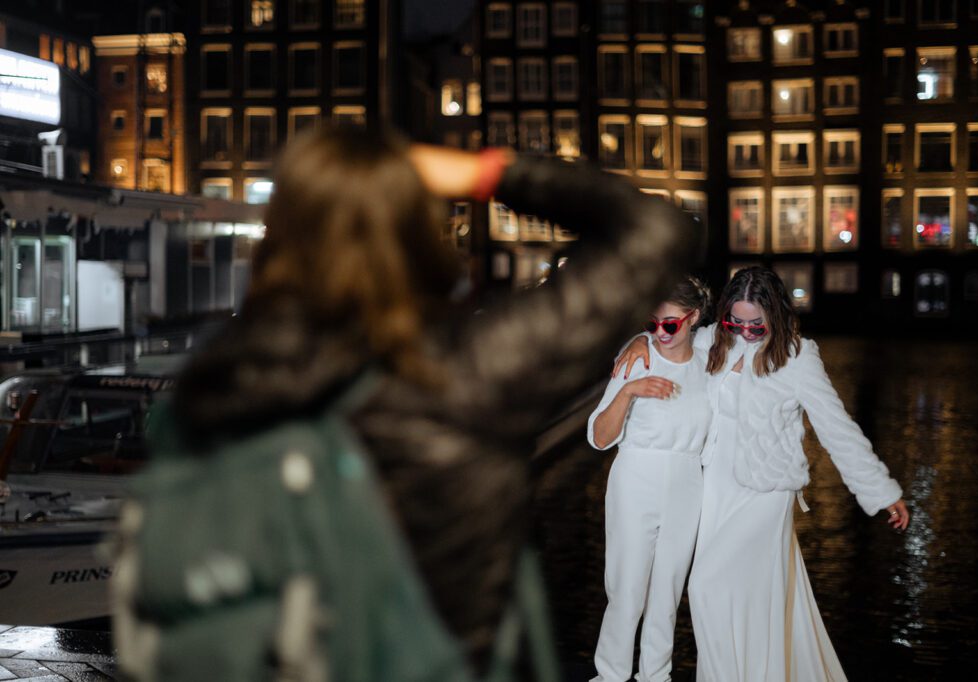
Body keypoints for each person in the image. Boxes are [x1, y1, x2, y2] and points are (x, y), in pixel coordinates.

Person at [112, 128, 701, 679]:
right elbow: (652, 233)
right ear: (418, 231)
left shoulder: (218, 378)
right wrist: (481, 171)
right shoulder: (476, 369)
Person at [614, 266, 909, 682]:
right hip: (715, 488)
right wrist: (638, 342)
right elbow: (667, 336)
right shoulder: (713, 339)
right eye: (738, 322)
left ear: (776, 314)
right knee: (736, 598)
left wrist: (880, 491)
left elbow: (836, 427)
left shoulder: (798, 356)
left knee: (705, 588)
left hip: (766, 493)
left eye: (757, 325)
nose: (747, 332)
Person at [587, 278, 712, 682]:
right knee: (626, 588)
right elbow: (600, 437)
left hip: (689, 481)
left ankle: (655, 676)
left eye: (670, 325)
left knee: (668, 592)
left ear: (692, 319)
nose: (660, 333)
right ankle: (611, 675)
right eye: (652, 324)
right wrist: (628, 392)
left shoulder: (710, 361)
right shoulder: (638, 359)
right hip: (636, 476)